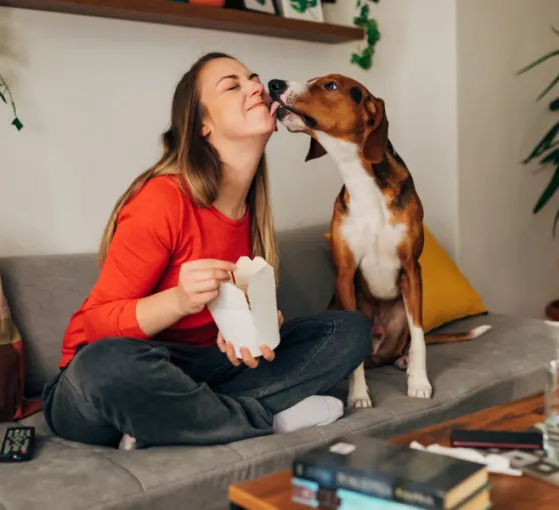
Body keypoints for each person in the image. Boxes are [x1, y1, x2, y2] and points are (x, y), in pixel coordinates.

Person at [40, 52, 372, 450]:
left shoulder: (252, 214)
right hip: (96, 384)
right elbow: (95, 326)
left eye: (252, 78)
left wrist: (249, 333)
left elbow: (227, 333)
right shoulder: (163, 200)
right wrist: (179, 300)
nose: (255, 86)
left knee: (349, 330)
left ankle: (174, 424)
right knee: (105, 366)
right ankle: (263, 418)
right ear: (202, 125)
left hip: (201, 373)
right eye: (232, 86)